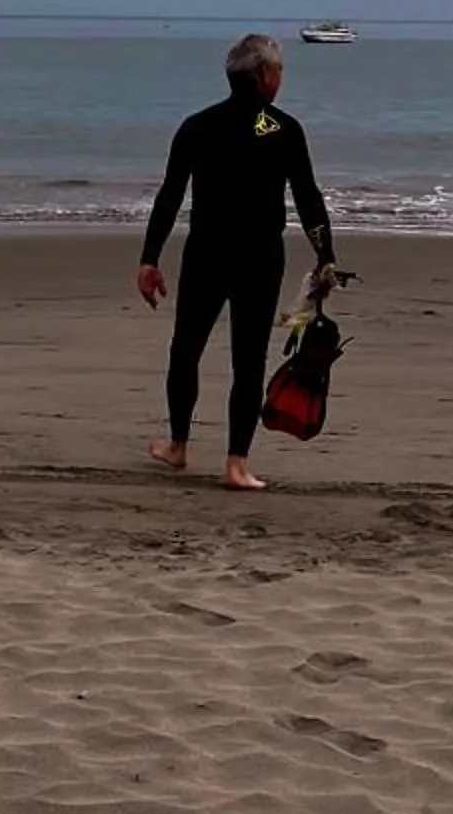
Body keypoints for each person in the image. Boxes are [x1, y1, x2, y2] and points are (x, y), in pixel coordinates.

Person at [137, 33, 337, 492]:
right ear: (264, 76)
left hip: (207, 253)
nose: (281, 78)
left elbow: (169, 196)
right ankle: (236, 465)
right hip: (260, 258)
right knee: (248, 360)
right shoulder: (283, 129)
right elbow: (308, 198)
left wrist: (149, 258)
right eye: (280, 70)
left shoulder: (197, 126)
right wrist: (325, 256)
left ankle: (178, 447)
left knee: (185, 349)